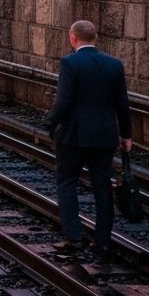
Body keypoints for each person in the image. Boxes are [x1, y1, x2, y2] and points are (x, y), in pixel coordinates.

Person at [45, 20, 133, 261]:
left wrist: (50, 124)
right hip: (104, 137)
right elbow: (122, 104)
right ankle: (102, 241)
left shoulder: (70, 63)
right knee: (102, 188)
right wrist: (126, 135)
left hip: (73, 136)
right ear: (95, 38)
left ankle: (74, 238)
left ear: (73, 38)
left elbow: (63, 101)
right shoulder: (114, 65)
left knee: (67, 183)